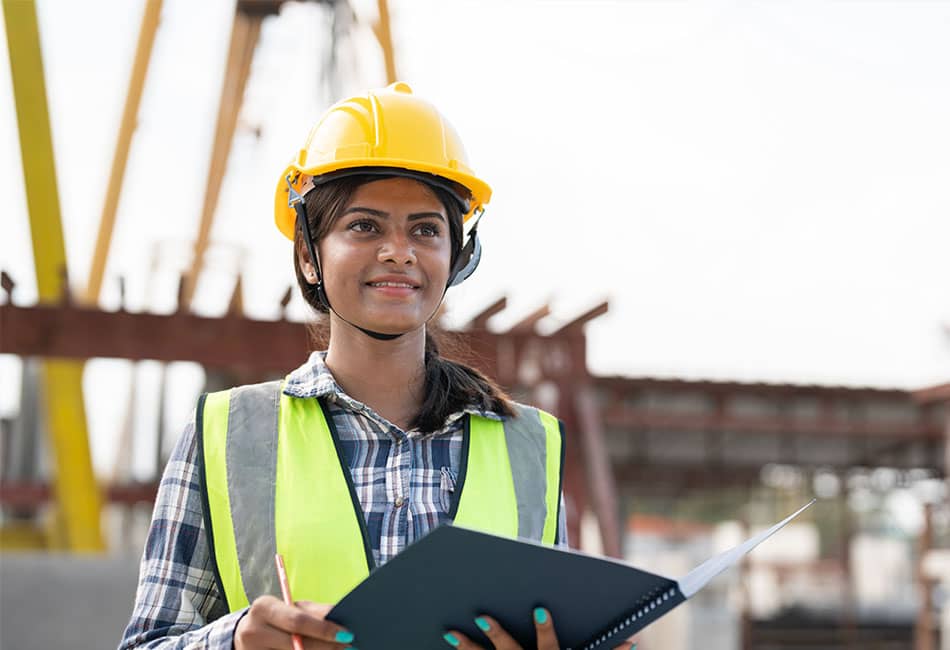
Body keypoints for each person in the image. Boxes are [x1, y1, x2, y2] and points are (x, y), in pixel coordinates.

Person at [119, 82, 634, 650]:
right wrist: (237, 642)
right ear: (307, 257)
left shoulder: (528, 448)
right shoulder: (227, 435)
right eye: (364, 226)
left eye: (426, 229)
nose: (399, 251)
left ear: (457, 258)